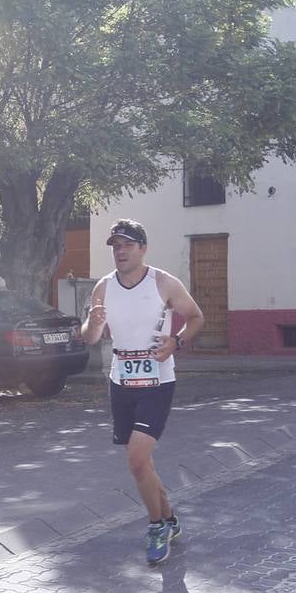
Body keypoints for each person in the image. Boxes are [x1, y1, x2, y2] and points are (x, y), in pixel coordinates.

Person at [81, 218, 205, 566]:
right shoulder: (103, 287)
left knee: (136, 459)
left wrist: (176, 341)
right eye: (115, 246)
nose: (120, 251)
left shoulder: (163, 282)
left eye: (127, 245)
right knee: (143, 464)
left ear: (142, 248)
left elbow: (196, 317)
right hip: (121, 379)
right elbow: (90, 337)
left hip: (158, 381)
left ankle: (156, 527)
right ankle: (170, 518)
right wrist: (92, 322)